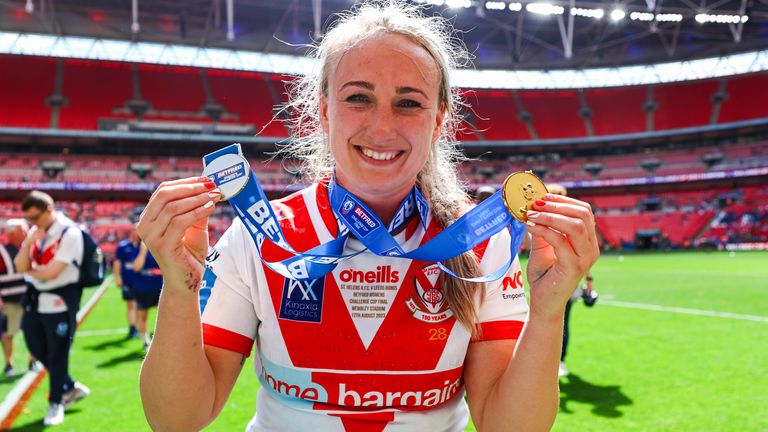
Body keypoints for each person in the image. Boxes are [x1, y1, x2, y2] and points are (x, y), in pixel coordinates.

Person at [136, 2, 599, 431]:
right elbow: (176, 420)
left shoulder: (480, 241)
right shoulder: (261, 234)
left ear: (439, 119)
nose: (382, 127)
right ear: (323, 112)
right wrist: (179, 286)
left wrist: (547, 312)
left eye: (409, 102)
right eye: (358, 98)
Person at [14, 191, 90, 426]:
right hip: (36, 300)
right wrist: (28, 242)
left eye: (35, 217)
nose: (32, 224)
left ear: (49, 210)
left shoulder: (70, 232)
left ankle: (56, 402)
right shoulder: (38, 233)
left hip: (60, 301)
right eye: (29, 219)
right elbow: (20, 267)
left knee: (57, 354)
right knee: (35, 346)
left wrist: (31, 273)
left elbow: (52, 273)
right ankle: (69, 386)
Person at [546, 183, 597, 378]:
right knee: (560, 322)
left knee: (554, 322)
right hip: (565, 277)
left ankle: (556, 361)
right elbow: (586, 254)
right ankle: (557, 361)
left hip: (556, 277)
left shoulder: (563, 221)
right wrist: (589, 280)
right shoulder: (568, 220)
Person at [0, 219, 41, 377]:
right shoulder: (2, 251)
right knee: (8, 333)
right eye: (23, 229)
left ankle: (33, 360)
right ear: (12, 232)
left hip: (31, 297)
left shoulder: (30, 247)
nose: (26, 232)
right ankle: (8, 364)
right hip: (10, 298)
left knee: (33, 331)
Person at [130, 241, 163, 351]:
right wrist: (143, 252)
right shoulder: (137, 248)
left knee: (165, 316)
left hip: (160, 288)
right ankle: (145, 342)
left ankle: (163, 341)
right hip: (142, 289)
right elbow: (136, 267)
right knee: (142, 317)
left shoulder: (159, 247)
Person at [113, 225, 140, 339]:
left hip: (142, 280)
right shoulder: (123, 246)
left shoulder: (144, 246)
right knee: (131, 305)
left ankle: (142, 328)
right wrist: (117, 277)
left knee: (143, 306)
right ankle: (132, 328)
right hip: (128, 281)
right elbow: (117, 263)